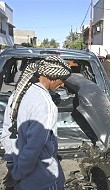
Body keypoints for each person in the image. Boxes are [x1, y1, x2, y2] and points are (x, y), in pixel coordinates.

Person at [1, 55, 72, 190]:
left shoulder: (18, 94)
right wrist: (17, 174)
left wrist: (12, 166)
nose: (62, 84)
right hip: (43, 179)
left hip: (21, 175)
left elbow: (7, 133)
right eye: (62, 80)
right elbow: (34, 149)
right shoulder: (46, 104)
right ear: (53, 77)